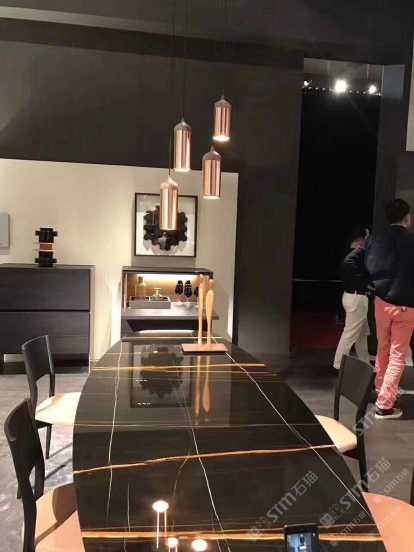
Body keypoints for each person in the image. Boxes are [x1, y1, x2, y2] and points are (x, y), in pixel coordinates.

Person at [365, 198, 414, 419]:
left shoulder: (376, 240)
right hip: (406, 305)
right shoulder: (411, 241)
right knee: (397, 355)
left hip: (381, 302)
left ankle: (380, 388)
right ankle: (385, 405)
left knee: (382, 348)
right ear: (407, 218)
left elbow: (368, 266)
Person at [333, 227, 371, 370]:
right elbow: (349, 265)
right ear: (361, 239)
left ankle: (365, 363)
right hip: (356, 298)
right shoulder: (356, 253)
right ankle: (338, 364)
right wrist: (363, 283)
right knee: (350, 333)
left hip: (352, 296)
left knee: (361, 334)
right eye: (366, 237)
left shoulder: (350, 252)